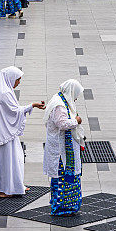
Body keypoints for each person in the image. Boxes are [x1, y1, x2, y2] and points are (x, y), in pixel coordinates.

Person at [0, 67, 46, 197]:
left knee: (9, 159)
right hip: (3, 133)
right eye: (17, 79)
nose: (19, 82)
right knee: (7, 160)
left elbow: (13, 110)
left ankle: (12, 186)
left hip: (3, 132)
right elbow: (15, 112)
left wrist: (32, 105)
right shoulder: (4, 93)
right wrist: (32, 105)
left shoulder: (4, 91)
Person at [44, 79, 85, 216]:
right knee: (62, 177)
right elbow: (62, 124)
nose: (76, 97)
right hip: (61, 151)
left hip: (64, 149)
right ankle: (62, 207)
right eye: (76, 94)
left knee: (66, 177)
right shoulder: (60, 105)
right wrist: (76, 121)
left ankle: (68, 206)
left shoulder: (61, 99)